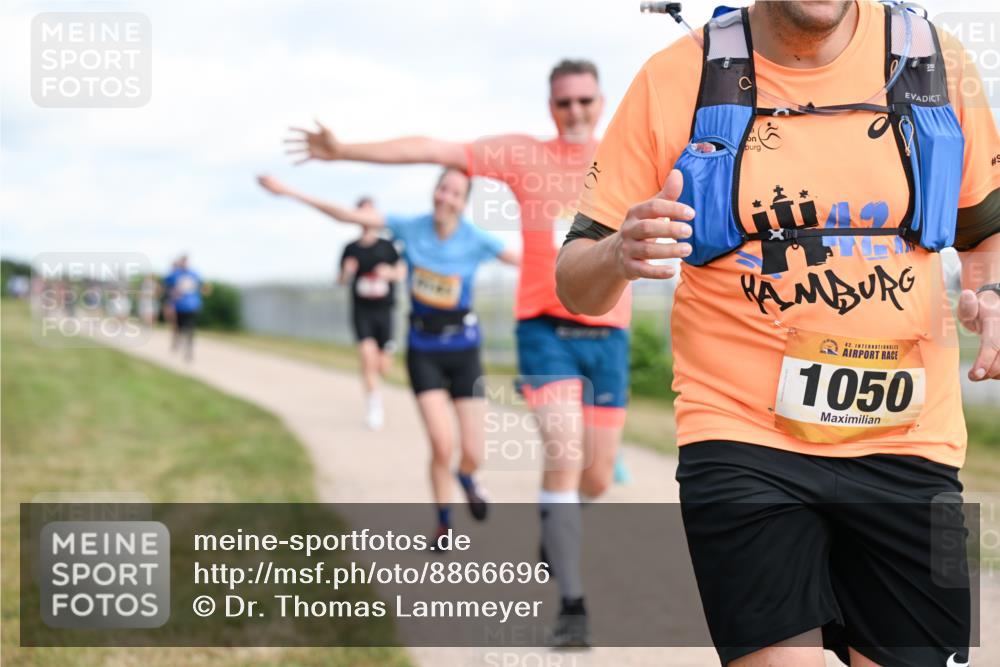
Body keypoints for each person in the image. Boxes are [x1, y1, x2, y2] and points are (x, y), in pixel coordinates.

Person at [556, 1, 999, 665]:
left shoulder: (932, 61)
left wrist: (990, 294)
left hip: (911, 441)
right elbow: (574, 280)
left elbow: (985, 234)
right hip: (743, 436)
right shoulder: (678, 76)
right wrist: (619, 252)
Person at [284, 58, 629, 646]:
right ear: (550, 106)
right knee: (565, 453)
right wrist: (343, 151)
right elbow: (431, 148)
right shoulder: (525, 155)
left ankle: (556, 524)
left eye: (585, 101)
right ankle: (572, 604)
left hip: (609, 334)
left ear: (601, 102)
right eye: (563, 101)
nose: (574, 111)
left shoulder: (626, 153)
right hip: (544, 330)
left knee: (595, 477)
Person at [258, 169, 520, 545]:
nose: (445, 197)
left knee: (473, 452)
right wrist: (290, 191)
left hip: (464, 351)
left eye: (455, 193)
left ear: (464, 203)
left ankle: (466, 476)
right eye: (442, 188)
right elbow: (348, 215)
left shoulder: (476, 239)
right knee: (441, 445)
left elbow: (528, 261)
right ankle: (444, 524)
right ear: (434, 191)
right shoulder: (410, 228)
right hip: (424, 350)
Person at [337, 196, 406, 430]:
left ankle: (386, 355)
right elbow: (340, 280)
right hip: (362, 310)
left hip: (384, 310)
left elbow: (401, 273)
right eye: (362, 212)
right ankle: (374, 406)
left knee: (383, 367)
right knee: (367, 357)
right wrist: (347, 272)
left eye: (370, 212)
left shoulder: (388, 247)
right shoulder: (350, 249)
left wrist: (389, 273)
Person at [163, 256, 210, 362]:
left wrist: (204, 290)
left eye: (186, 262)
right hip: (179, 307)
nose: (184, 264)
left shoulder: (195, 274)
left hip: (193, 306)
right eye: (183, 262)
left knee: (190, 328)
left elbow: (204, 286)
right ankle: (179, 342)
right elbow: (167, 287)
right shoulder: (175, 275)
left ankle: (189, 350)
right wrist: (170, 298)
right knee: (179, 328)